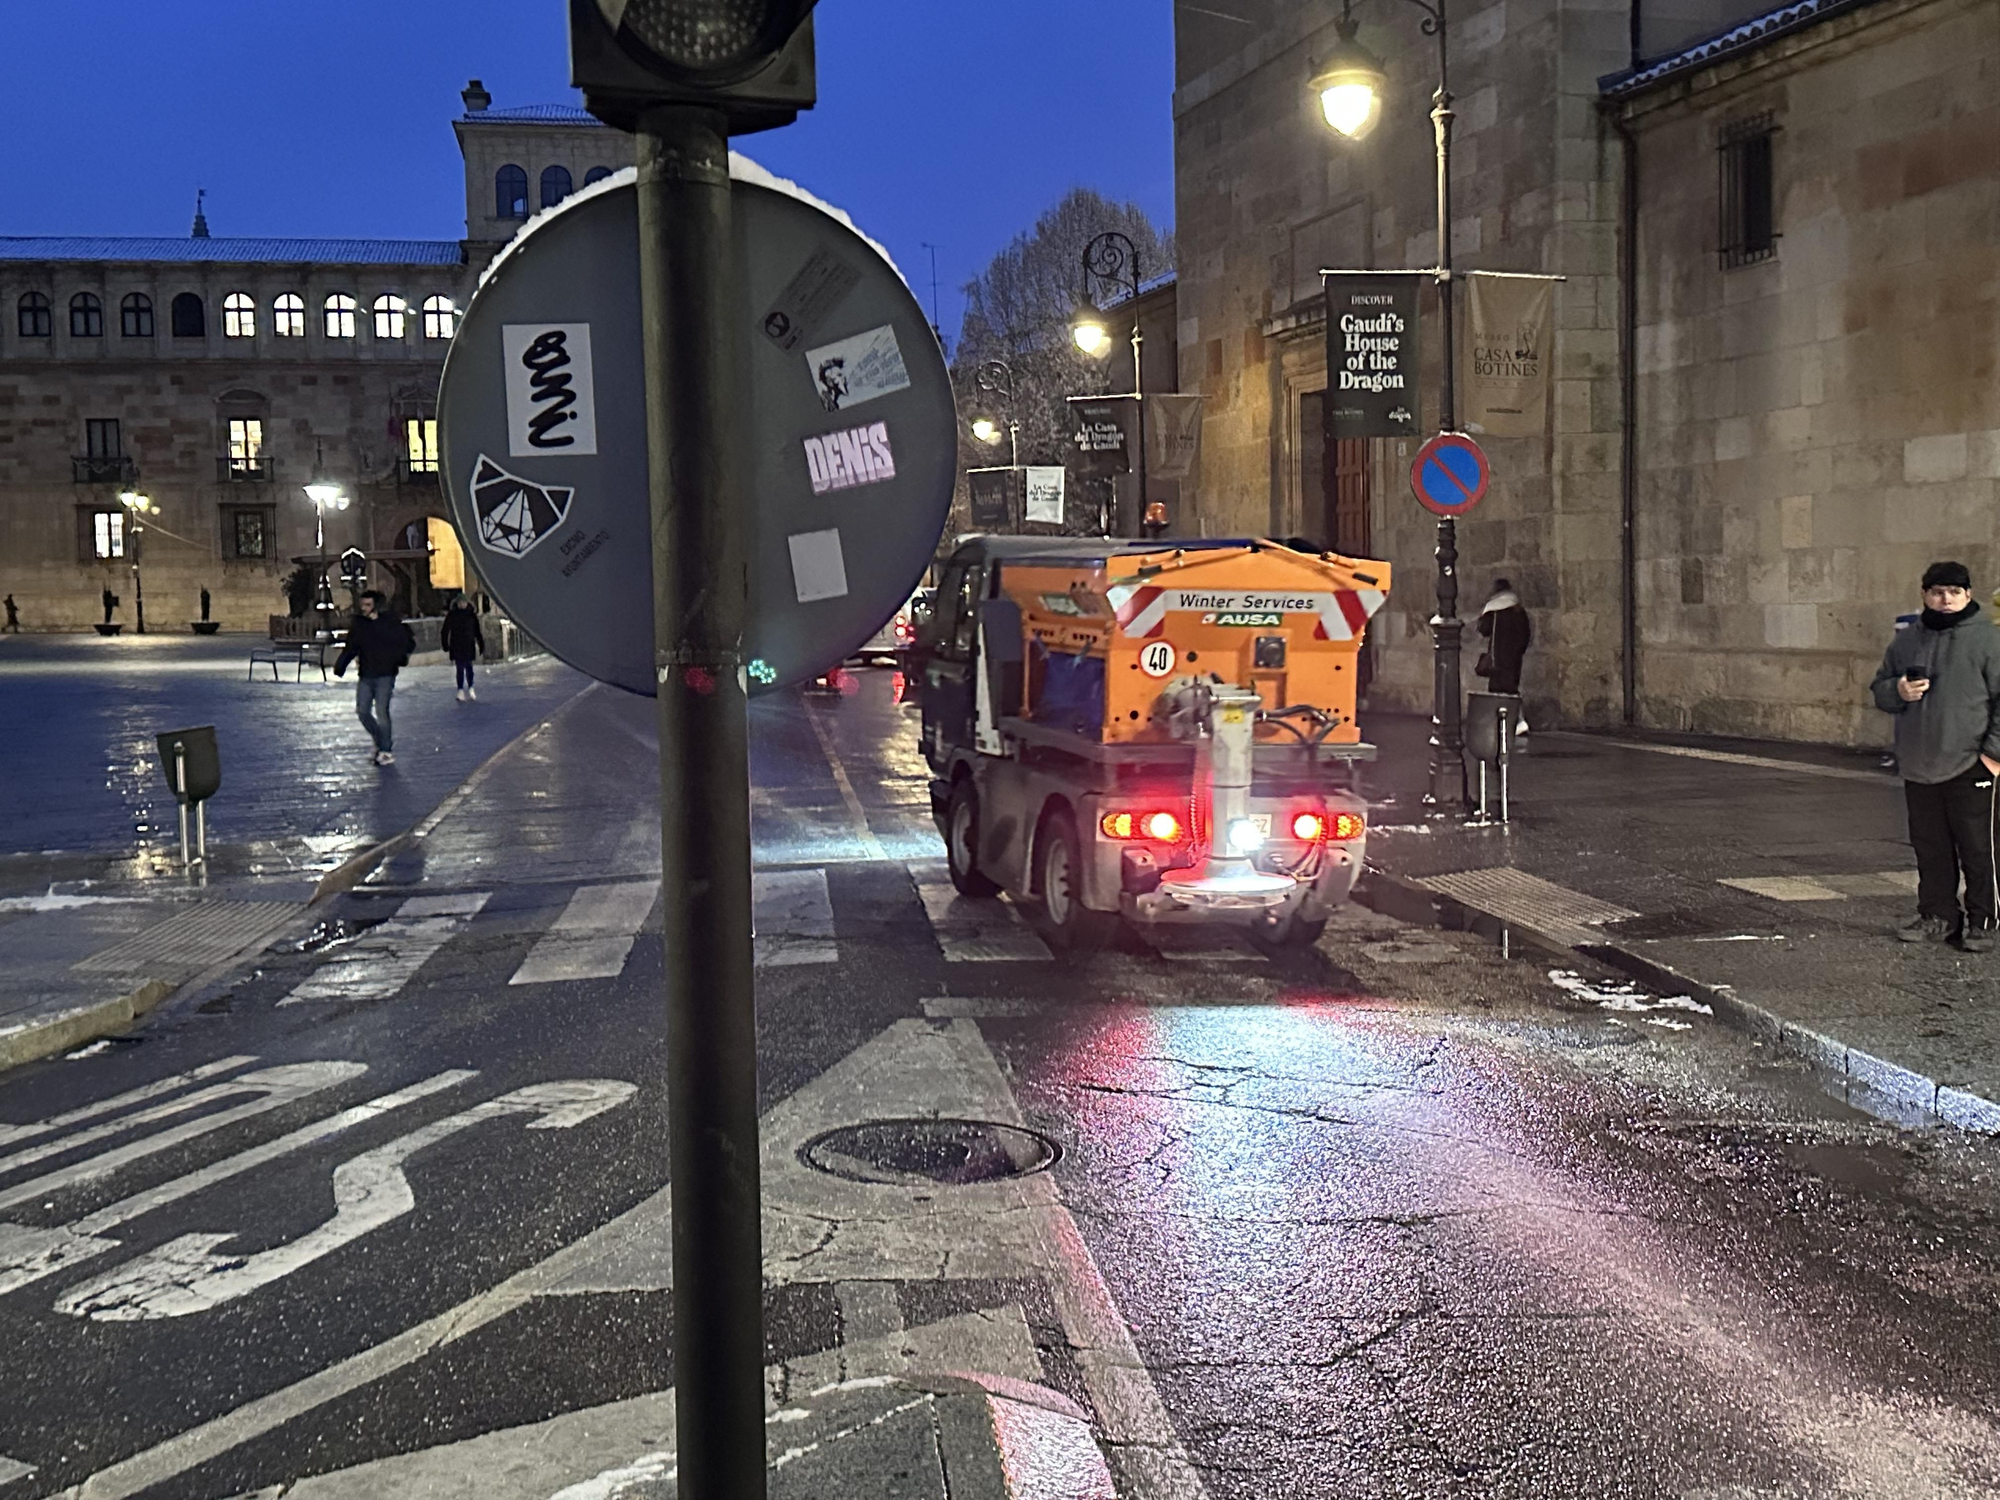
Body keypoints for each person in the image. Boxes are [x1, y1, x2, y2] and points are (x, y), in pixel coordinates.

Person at [1869, 561, 2000, 951]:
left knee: (1979, 846)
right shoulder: (1908, 640)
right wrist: (1898, 692)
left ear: (1968, 595)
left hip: (1971, 761)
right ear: (1925, 594)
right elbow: (1880, 687)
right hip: (1920, 762)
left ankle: (1984, 919)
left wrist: (1992, 755)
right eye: (1937, 592)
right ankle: (1938, 915)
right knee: (1930, 846)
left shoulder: (1989, 641)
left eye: (1954, 593)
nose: (1945, 600)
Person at [334, 590, 414, 766]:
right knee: (362, 711)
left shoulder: (390, 623)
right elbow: (351, 647)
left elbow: (404, 642)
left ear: (376, 606)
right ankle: (381, 740)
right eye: (362, 605)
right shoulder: (360, 625)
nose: (364, 608)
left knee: (382, 713)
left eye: (368, 605)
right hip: (366, 674)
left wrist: (399, 659)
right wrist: (341, 665)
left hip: (385, 674)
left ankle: (385, 751)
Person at [1476, 579, 1532, 732]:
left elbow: (1483, 629)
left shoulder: (1493, 609)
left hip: (1497, 657)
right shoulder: (1518, 609)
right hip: (1513, 658)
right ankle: (1517, 720)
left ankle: (1506, 723)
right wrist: (1518, 651)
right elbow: (1525, 635)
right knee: (1512, 688)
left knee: (1497, 690)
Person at [442, 596, 485, 702]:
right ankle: (460, 689)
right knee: (460, 668)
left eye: (464, 602)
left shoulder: (471, 615)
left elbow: (477, 631)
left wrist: (481, 644)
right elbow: (445, 630)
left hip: (468, 645)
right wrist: (445, 644)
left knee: (469, 667)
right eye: (460, 602)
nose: (462, 604)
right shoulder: (452, 615)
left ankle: (471, 687)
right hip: (456, 645)